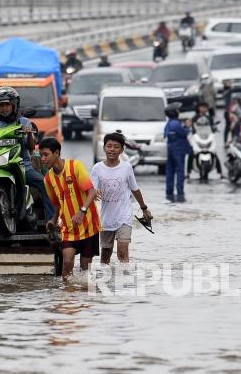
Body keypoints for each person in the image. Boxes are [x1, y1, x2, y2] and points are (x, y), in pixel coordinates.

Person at [0, 86, 54, 234]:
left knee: (44, 183)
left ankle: (51, 220)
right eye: (0, 106)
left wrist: (29, 133)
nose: (4, 108)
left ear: (14, 105)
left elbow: (31, 147)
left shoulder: (24, 121)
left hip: (22, 165)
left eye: (7, 105)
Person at [39, 137, 100, 280]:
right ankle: (66, 297)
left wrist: (82, 211)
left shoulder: (75, 166)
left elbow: (92, 192)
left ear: (57, 153)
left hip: (88, 225)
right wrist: (53, 220)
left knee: (85, 270)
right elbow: (58, 203)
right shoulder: (48, 179)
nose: (43, 159)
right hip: (68, 227)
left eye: (46, 155)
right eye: (41, 155)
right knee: (67, 262)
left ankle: (82, 298)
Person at [90, 132, 152, 265]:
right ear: (104, 148)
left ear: (122, 150)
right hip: (106, 219)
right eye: (109, 146)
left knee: (122, 253)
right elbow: (91, 191)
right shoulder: (97, 168)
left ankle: (124, 281)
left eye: (116, 147)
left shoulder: (126, 167)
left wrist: (144, 209)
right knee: (105, 257)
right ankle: (107, 281)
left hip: (124, 216)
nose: (112, 149)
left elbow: (135, 189)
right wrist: (94, 193)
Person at [187, 101, 223, 179]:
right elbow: (189, 124)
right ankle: (188, 172)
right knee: (191, 154)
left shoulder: (209, 118)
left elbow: (213, 126)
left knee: (214, 154)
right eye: (202, 107)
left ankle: (220, 172)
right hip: (197, 138)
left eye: (205, 107)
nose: (203, 109)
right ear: (198, 108)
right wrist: (188, 127)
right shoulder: (194, 117)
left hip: (208, 138)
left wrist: (215, 129)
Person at [164, 106, 190, 202]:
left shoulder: (169, 123)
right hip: (178, 149)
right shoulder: (175, 123)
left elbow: (165, 134)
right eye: (177, 110)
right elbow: (183, 133)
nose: (179, 111)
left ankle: (169, 191)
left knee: (170, 170)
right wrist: (187, 127)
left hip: (171, 148)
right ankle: (180, 192)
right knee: (180, 171)